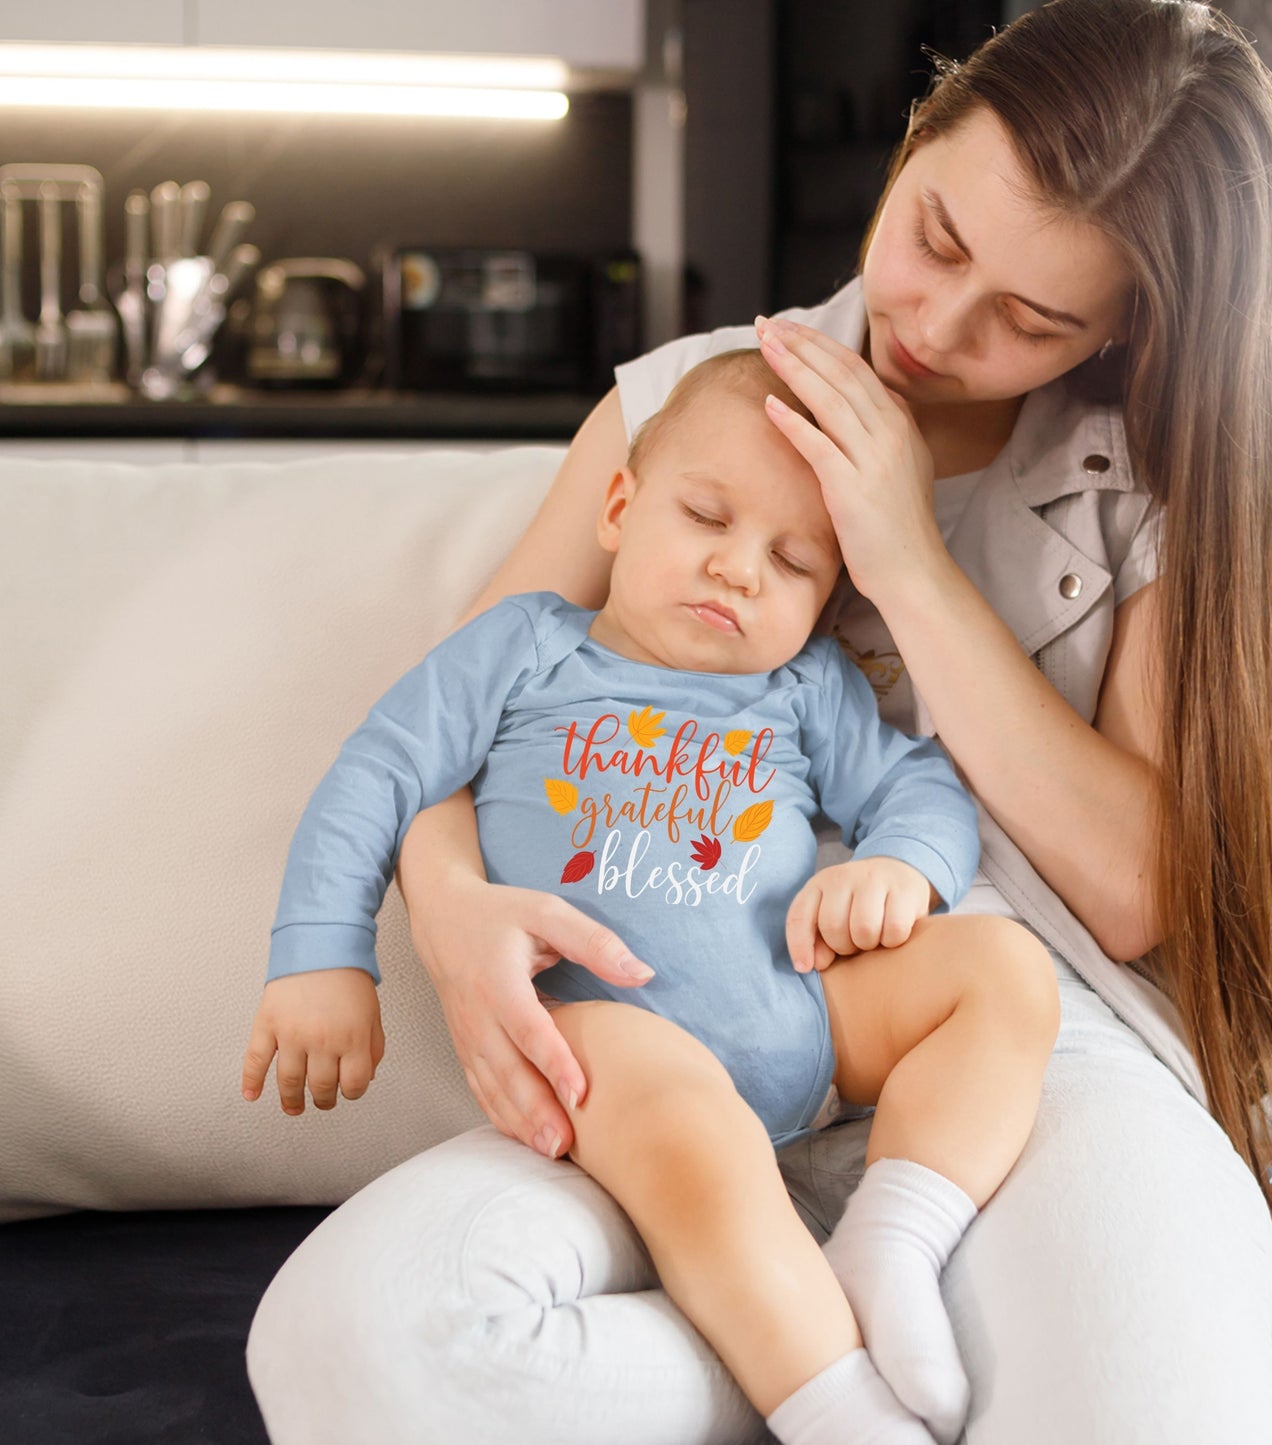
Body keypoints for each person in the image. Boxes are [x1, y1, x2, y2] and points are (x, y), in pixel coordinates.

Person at [246, 3, 1272, 1442]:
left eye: (1031, 320)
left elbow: (1133, 886)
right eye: (934, 235)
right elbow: (453, 709)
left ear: (1127, 326)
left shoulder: (1150, 490)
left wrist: (902, 555)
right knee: (353, 1343)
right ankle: (847, 1362)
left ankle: (953, 1315)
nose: (932, 325)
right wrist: (444, 907)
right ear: (915, 142)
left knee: (1149, 1385)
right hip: (660, 1037)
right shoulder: (685, 409)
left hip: (1005, 1062)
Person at [244, 348, 1061, 1444]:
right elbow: (379, 771)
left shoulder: (801, 686)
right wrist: (320, 955)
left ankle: (898, 1230)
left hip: (803, 1004)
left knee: (1002, 971)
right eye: (706, 517)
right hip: (615, 1026)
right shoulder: (528, 644)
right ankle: (834, 1407)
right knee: (691, 1129)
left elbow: (917, 781)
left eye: (791, 559)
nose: (737, 570)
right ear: (619, 509)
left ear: (828, 601)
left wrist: (899, 868)